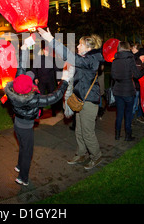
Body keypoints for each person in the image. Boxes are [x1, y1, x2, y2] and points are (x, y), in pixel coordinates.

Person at [4, 37, 69, 186]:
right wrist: (64, 81)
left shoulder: (13, 90)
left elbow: (20, 67)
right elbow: (55, 96)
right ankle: (23, 177)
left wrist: (25, 48)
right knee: (28, 151)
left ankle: (19, 165)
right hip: (26, 129)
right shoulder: (34, 99)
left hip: (17, 125)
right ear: (30, 88)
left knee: (22, 146)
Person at [38, 28, 104, 170]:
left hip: (89, 102)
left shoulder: (92, 60)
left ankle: (96, 156)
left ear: (88, 48)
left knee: (87, 132)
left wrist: (51, 39)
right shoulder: (85, 59)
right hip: (80, 99)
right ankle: (81, 153)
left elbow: (69, 56)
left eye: (80, 45)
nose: (78, 46)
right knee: (79, 130)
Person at [111, 42, 144, 141]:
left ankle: (117, 135)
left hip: (118, 91)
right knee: (128, 114)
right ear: (128, 48)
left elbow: (113, 76)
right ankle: (128, 135)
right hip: (128, 90)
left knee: (119, 114)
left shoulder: (114, 61)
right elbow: (137, 75)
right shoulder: (130, 60)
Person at [32, 46, 61, 118]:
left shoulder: (53, 59)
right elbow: (34, 68)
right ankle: (40, 111)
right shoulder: (38, 58)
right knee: (41, 96)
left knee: (52, 96)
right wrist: (35, 77)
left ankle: (53, 111)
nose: (46, 52)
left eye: (48, 50)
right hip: (41, 81)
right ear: (43, 51)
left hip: (50, 81)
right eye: (45, 50)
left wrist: (58, 80)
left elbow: (57, 69)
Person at [133, 48, 144, 123]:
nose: (143, 57)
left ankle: (139, 116)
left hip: (143, 87)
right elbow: (138, 75)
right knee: (134, 104)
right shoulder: (136, 62)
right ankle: (131, 118)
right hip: (136, 87)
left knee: (142, 103)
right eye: (142, 56)